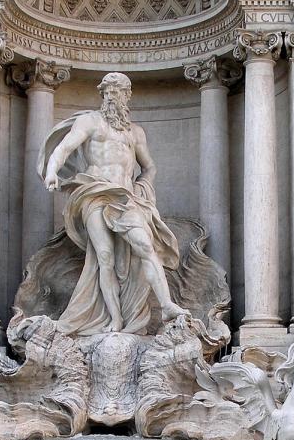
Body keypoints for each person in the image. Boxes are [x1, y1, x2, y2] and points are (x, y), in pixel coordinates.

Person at [39, 72, 190, 336]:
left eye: (117, 91)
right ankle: (115, 319)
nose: (112, 96)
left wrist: (143, 187)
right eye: (108, 91)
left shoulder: (135, 133)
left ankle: (166, 306)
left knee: (145, 245)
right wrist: (52, 171)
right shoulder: (90, 122)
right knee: (104, 256)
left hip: (125, 197)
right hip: (94, 193)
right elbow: (63, 148)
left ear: (127, 96)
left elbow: (149, 166)